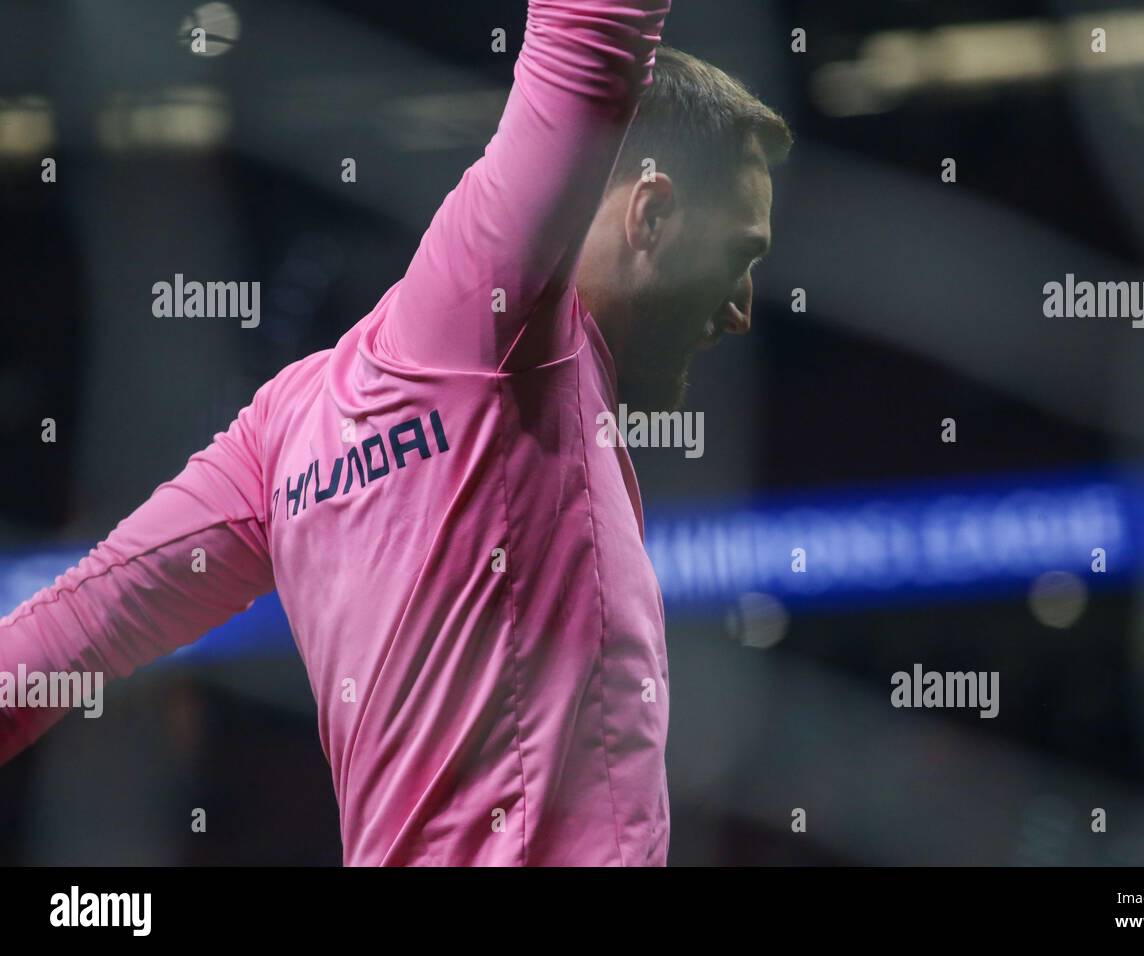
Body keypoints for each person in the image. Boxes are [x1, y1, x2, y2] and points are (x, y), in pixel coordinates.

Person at [0, 0, 791, 865]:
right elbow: (590, 32)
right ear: (649, 213)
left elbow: (66, 635)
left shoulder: (289, 426)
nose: (743, 311)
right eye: (737, 256)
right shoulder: (497, 327)